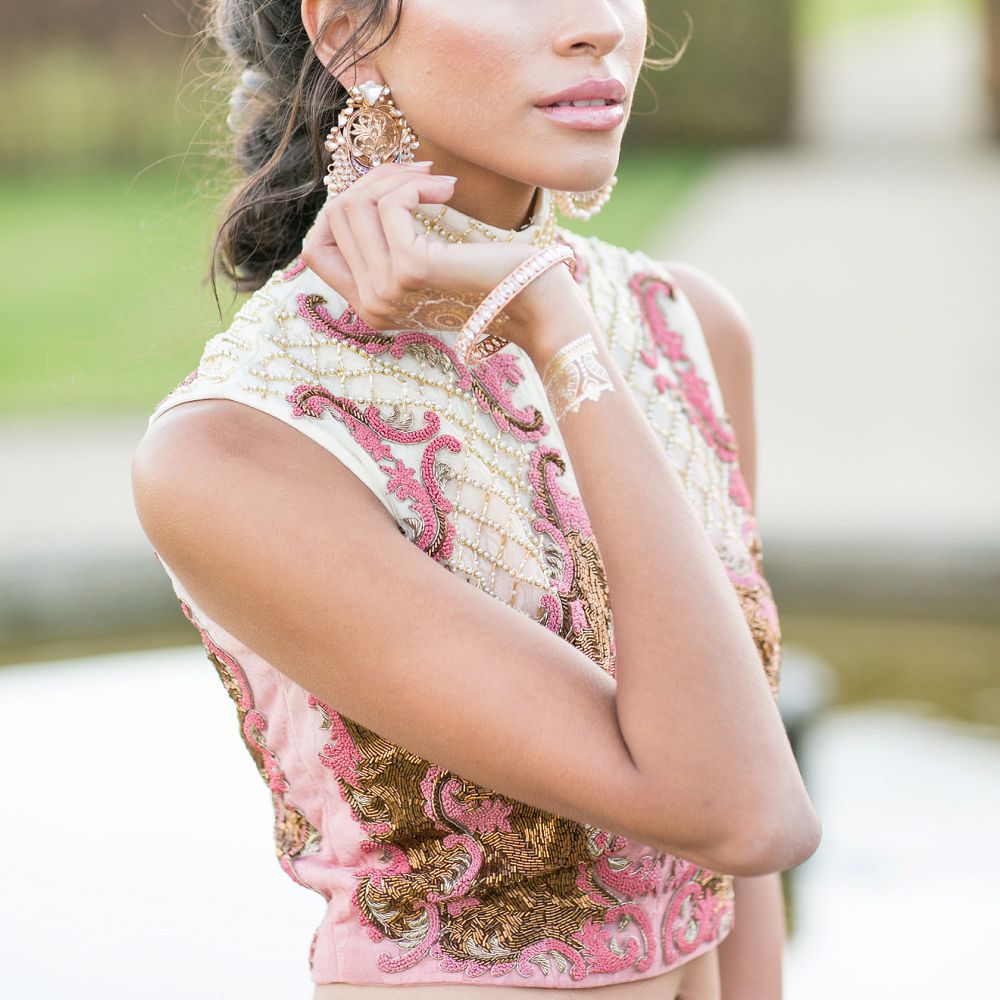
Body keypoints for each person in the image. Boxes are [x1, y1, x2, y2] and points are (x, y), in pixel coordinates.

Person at [131, 2, 821, 998]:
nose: (596, 24)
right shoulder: (239, 447)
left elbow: (733, 855)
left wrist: (559, 317)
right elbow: (744, 810)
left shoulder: (686, 329)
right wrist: (549, 320)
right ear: (347, 30)